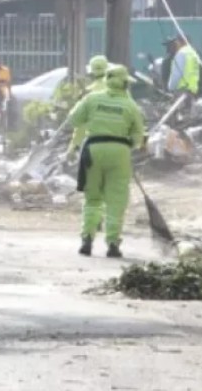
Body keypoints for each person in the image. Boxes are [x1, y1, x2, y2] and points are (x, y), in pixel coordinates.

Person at [64, 65, 146, 258]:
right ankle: (112, 244)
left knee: (92, 199)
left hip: (93, 150)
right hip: (120, 152)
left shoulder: (92, 98)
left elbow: (74, 119)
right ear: (125, 83)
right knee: (116, 200)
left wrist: (92, 123)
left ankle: (87, 239)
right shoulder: (131, 106)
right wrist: (128, 145)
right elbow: (138, 137)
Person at [165, 34, 202, 99]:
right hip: (192, 90)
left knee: (181, 109)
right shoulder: (193, 53)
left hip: (182, 90)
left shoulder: (181, 53)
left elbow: (176, 74)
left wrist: (170, 87)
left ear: (179, 42)